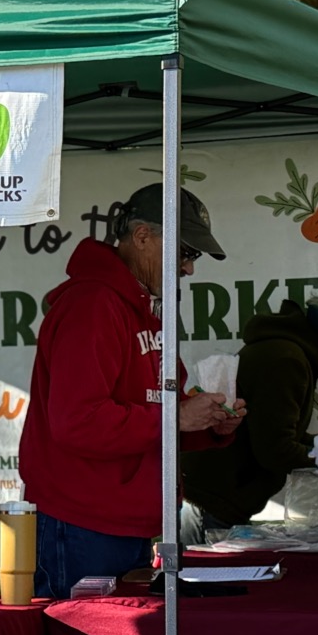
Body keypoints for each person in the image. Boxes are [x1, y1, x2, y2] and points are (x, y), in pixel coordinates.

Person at [19, 183, 243, 595]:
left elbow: (157, 409)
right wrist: (178, 418)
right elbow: (77, 422)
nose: (190, 268)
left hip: (127, 520)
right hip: (83, 522)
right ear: (143, 237)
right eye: (187, 252)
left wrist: (209, 423)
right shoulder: (92, 305)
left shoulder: (145, 307)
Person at [182, 278, 318, 537]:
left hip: (214, 498)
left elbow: (272, 435)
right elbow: (275, 451)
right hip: (209, 502)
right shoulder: (286, 360)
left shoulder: (287, 353)